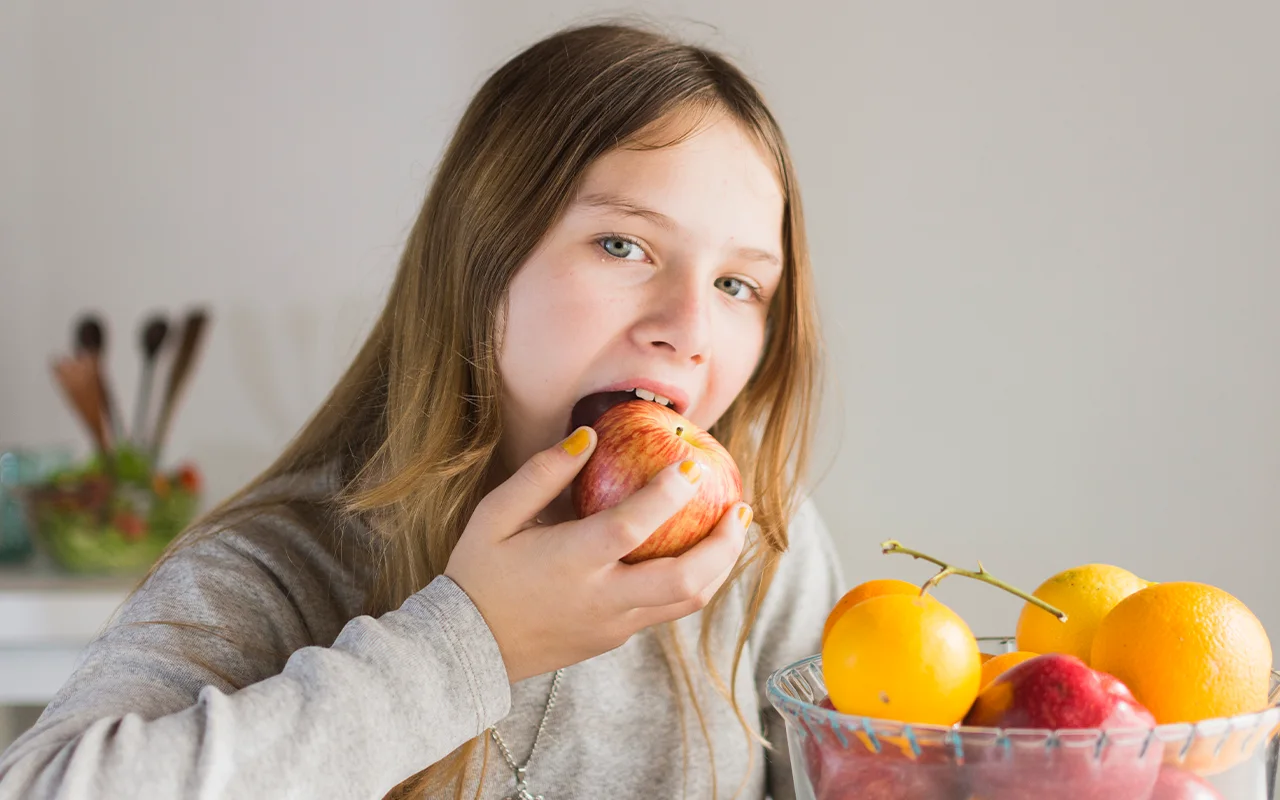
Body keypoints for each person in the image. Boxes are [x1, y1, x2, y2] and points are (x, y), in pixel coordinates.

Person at [0, 21, 843, 800]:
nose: (690, 330)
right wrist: (468, 643)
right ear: (480, 258)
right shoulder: (283, 569)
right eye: (624, 244)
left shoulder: (762, 548)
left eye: (738, 284)